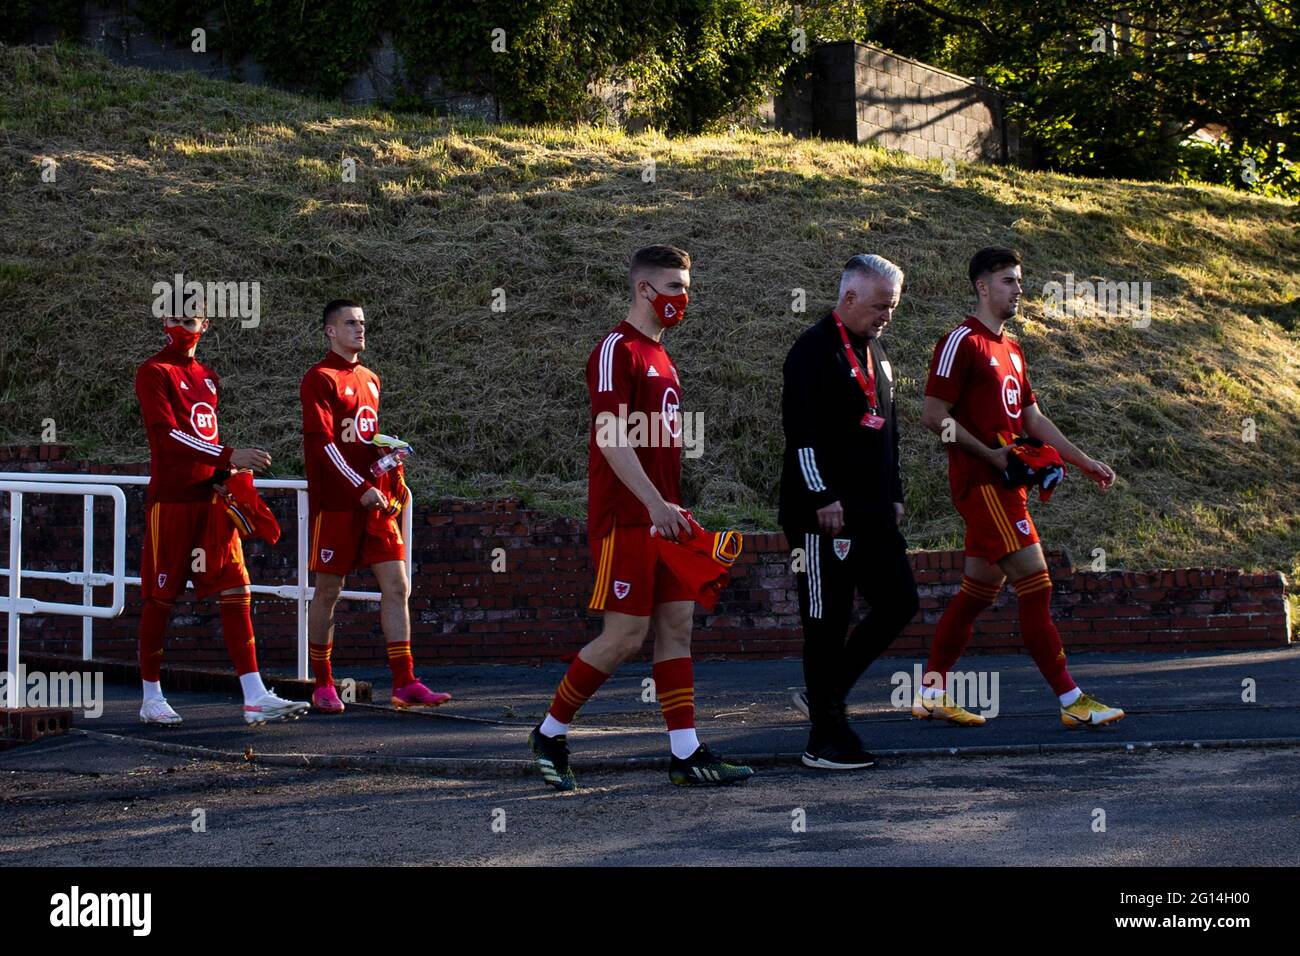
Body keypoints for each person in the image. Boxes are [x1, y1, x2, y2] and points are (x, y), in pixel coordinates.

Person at [528, 245, 754, 790]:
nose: (684, 297)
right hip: (626, 519)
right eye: (674, 286)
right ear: (643, 289)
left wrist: (668, 506)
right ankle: (550, 733)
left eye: (686, 285)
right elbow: (610, 438)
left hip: (661, 517)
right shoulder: (616, 349)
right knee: (625, 637)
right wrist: (653, 503)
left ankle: (685, 752)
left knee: (678, 627)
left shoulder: (662, 356)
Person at [919, 247, 1124, 728]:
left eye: (1019, 280)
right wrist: (988, 454)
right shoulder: (961, 341)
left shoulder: (1011, 349)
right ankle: (1071, 700)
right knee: (1037, 585)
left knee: (976, 594)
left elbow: (1031, 418)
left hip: (1009, 487)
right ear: (982, 286)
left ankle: (929, 693)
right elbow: (933, 416)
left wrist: (1084, 461)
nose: (1018, 289)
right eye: (1008, 280)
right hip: (982, 484)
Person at [779, 254, 919, 770]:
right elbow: (802, 434)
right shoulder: (813, 350)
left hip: (873, 511)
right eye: (881, 305)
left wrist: (896, 490)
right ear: (850, 297)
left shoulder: (876, 350)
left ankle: (827, 694)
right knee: (826, 620)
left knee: (900, 601)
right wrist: (822, 497)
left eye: (894, 307)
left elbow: (889, 427)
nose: (887, 315)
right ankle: (824, 739)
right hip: (824, 515)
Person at [134, 308, 307, 725]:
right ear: (163, 323)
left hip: (210, 501)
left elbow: (202, 435)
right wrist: (229, 455)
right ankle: (150, 696)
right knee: (161, 597)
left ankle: (254, 694)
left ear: (206, 325)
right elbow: (168, 436)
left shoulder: (208, 377)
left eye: (193, 320)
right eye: (177, 319)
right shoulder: (152, 371)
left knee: (236, 590)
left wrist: (227, 473)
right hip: (172, 502)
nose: (184, 328)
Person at [300, 299, 452, 713]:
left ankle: (404, 682)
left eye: (363, 323)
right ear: (330, 331)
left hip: (373, 502)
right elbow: (322, 445)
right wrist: (357, 487)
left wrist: (389, 464)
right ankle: (324, 683)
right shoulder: (319, 378)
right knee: (328, 590)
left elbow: (365, 442)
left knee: (398, 586)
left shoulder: (370, 378)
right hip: (337, 505)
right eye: (350, 323)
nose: (360, 329)